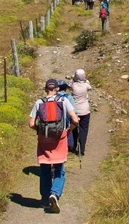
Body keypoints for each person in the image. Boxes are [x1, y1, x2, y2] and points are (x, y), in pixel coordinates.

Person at [28, 78, 79, 213]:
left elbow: (31, 124)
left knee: (44, 170)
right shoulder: (64, 101)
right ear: (57, 89)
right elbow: (75, 119)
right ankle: (54, 193)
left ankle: (45, 200)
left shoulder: (39, 103)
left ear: (45, 89)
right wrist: (68, 131)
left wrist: (40, 131)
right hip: (60, 138)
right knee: (59, 169)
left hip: (44, 139)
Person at [69, 69, 92, 156]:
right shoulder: (86, 85)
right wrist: (85, 80)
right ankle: (82, 149)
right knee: (84, 130)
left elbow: (69, 84)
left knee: (74, 129)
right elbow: (90, 86)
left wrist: (74, 79)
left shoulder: (73, 85)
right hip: (85, 111)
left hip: (75, 110)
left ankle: (73, 145)